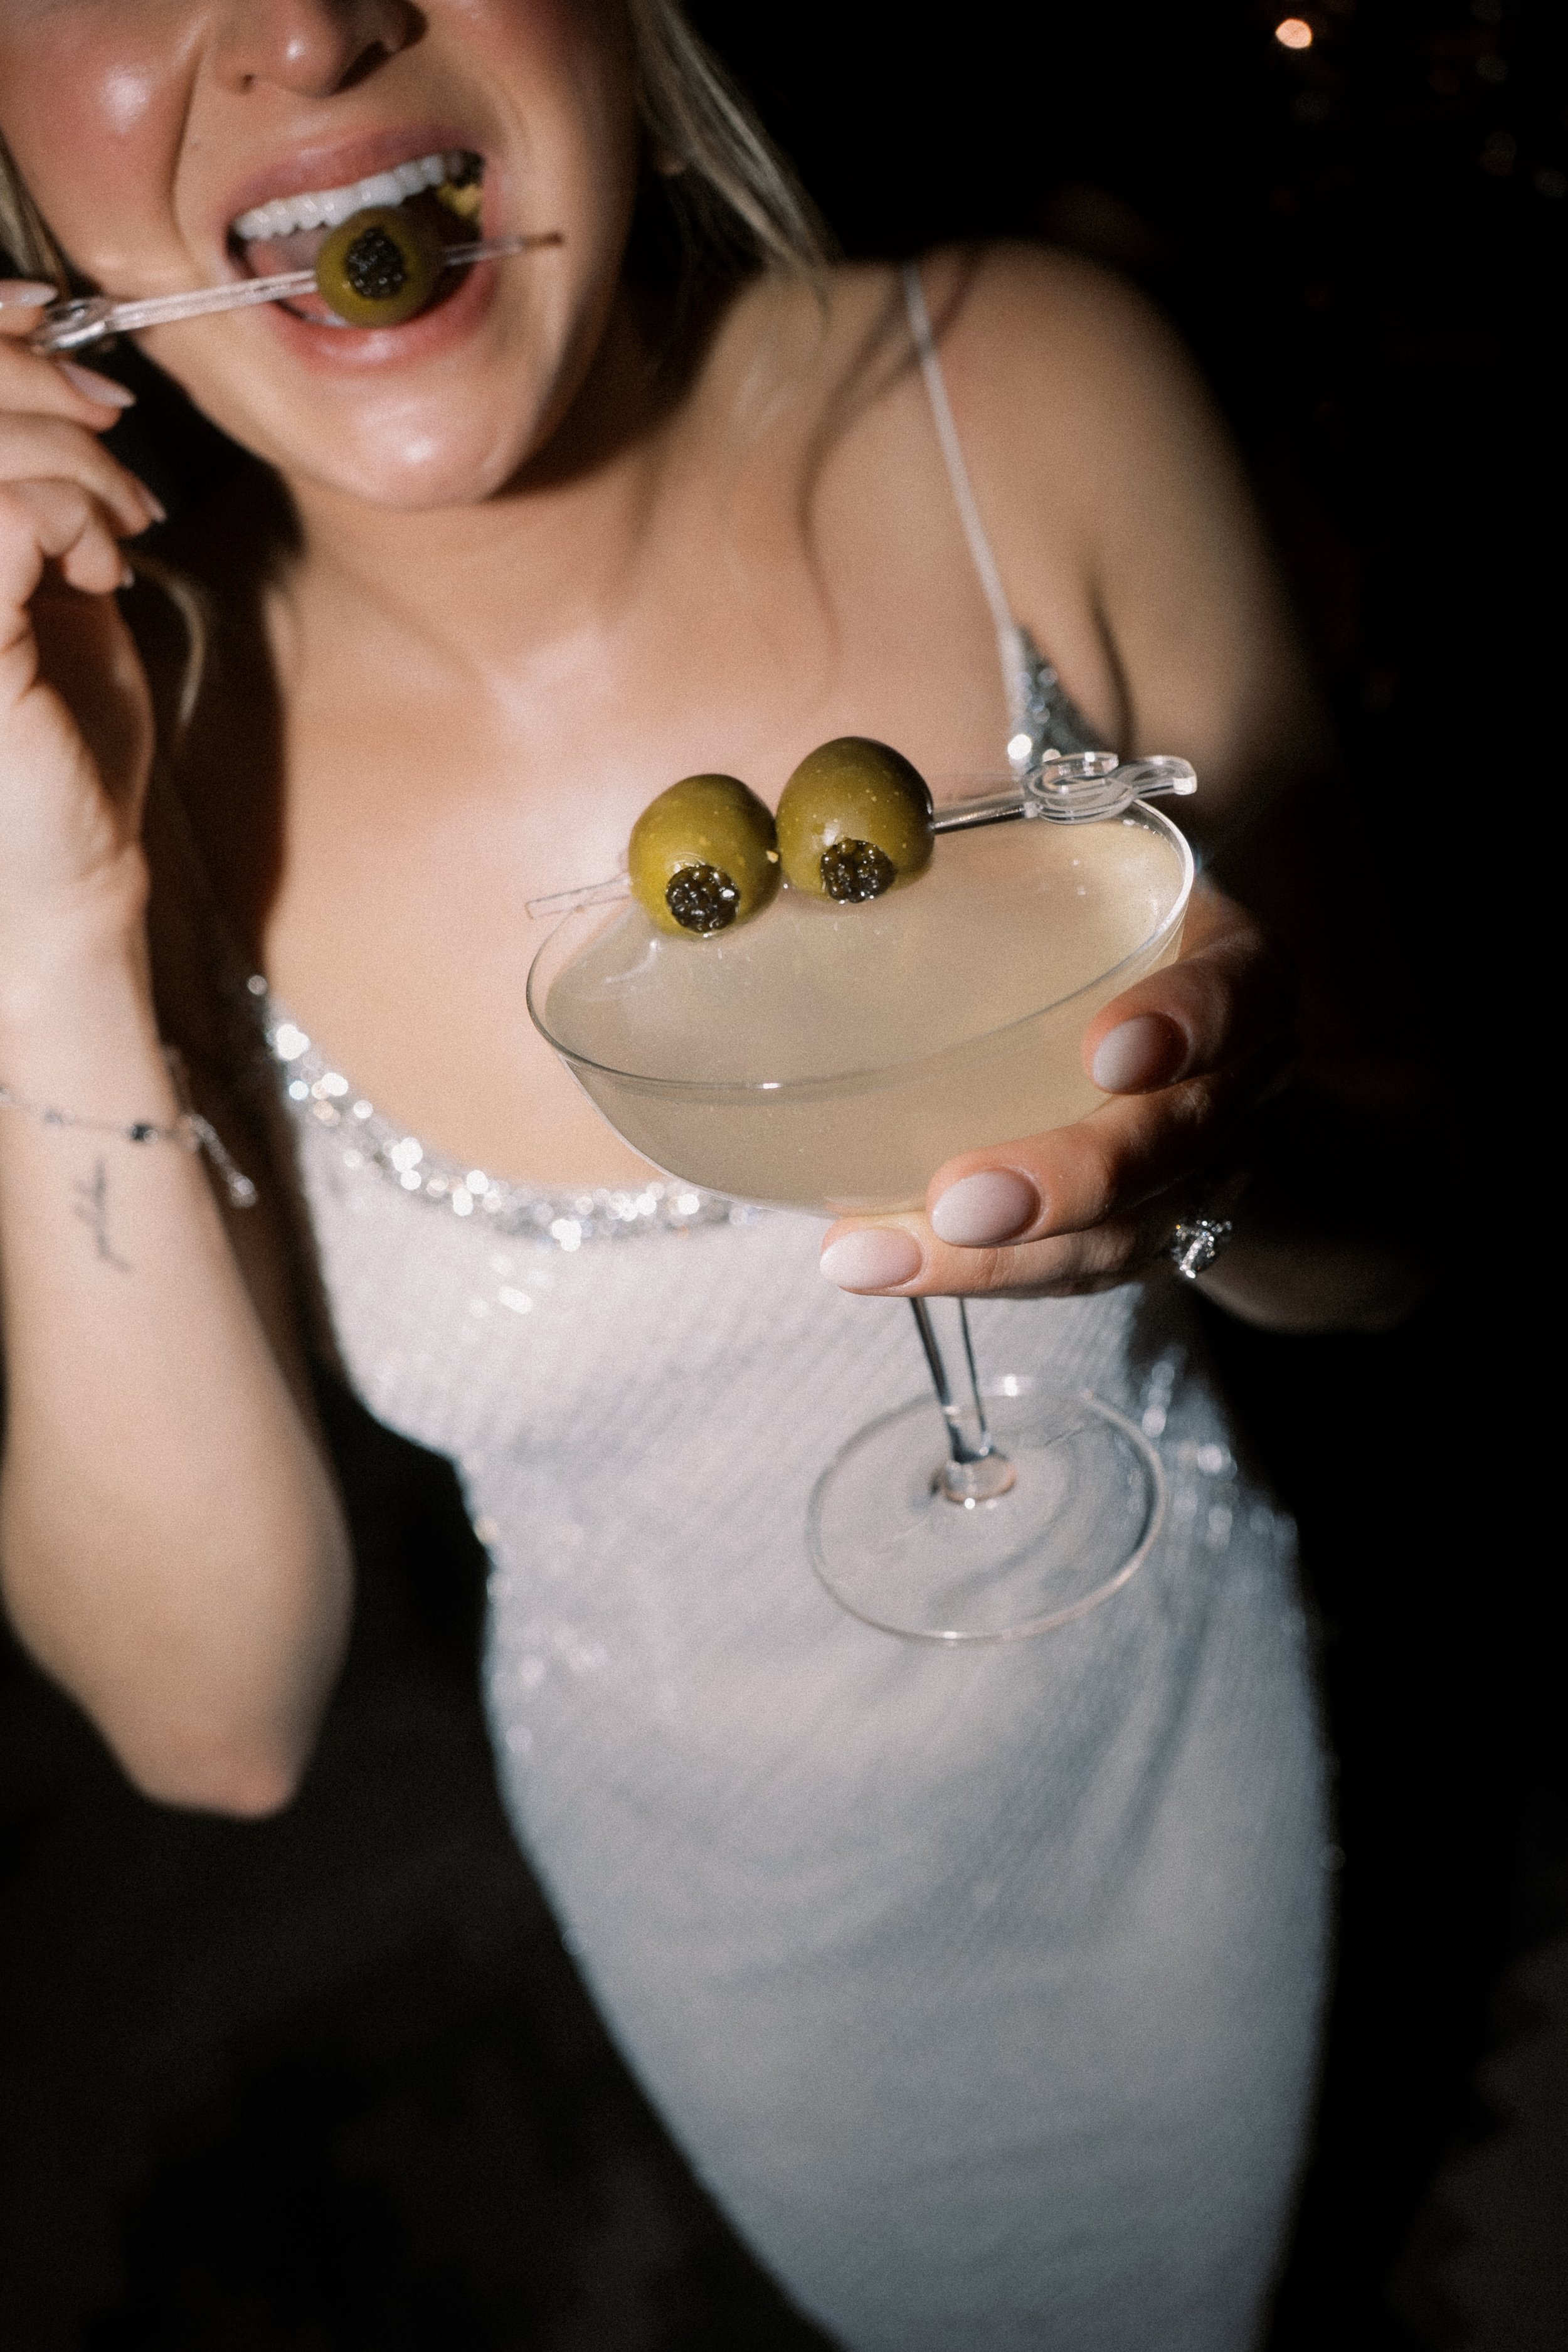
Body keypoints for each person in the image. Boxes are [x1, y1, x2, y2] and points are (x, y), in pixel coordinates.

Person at [0, 4, 1429, 2345]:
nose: (306, 26)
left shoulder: (1026, 394)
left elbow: (1405, 1245)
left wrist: (1221, 1162)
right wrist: (44, 914)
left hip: (1184, 1781)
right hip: (727, 1919)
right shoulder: (115, 723)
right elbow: (212, 1723)